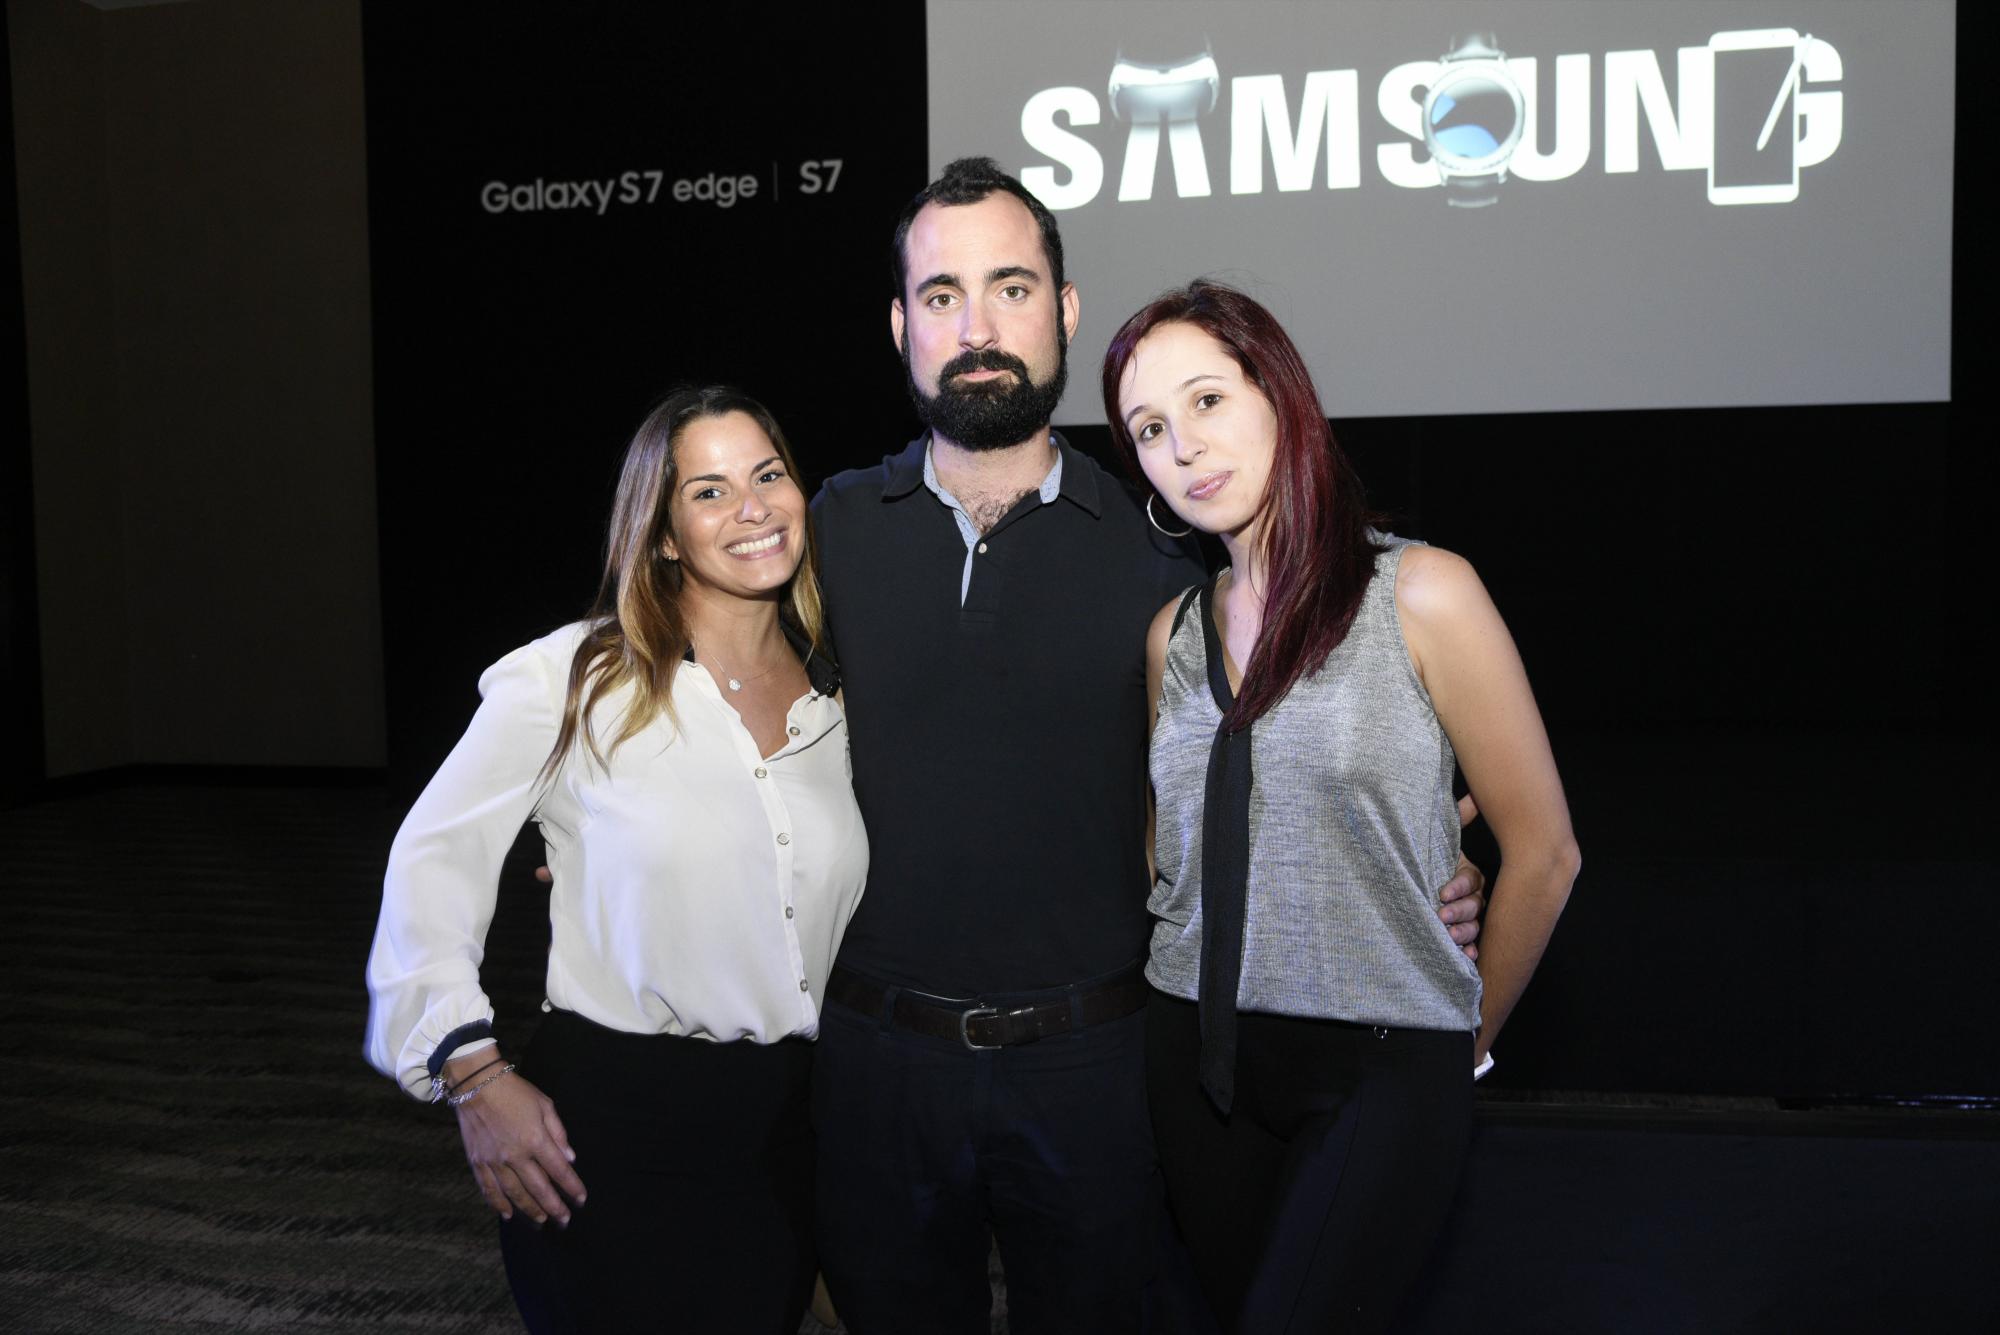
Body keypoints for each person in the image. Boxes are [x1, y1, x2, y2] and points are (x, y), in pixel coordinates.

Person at [805, 158, 1488, 1335]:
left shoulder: (1164, 557)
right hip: (876, 1064)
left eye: (1011, 288)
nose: (976, 327)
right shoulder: (825, 531)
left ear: (1064, 311)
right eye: (940, 296)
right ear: (900, 327)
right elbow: (709, 692)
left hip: (1099, 1073)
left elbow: (1256, 781)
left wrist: (1421, 863)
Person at [1104, 280, 1581, 1333]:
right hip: (1195, 1061)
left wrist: (1459, 1046)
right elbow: (1167, 858)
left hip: (1380, 1063)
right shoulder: (1170, 636)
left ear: (1279, 395)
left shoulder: (1421, 593)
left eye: (1206, 400)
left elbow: (1546, 854)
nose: (1183, 445)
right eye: (1148, 428)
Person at [363, 386, 866, 1334]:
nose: (752, 507)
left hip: (793, 1126)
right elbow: (432, 855)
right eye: (709, 491)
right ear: (664, 534)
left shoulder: (841, 692)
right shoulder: (575, 677)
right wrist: (472, 1071)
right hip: (615, 1131)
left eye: (768, 475)